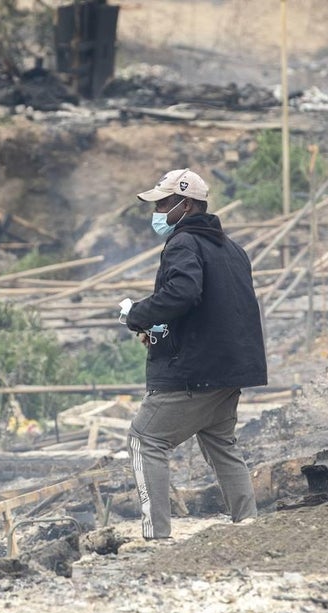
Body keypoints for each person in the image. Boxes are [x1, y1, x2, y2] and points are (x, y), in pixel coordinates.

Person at [123, 168, 268, 539]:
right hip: (230, 369)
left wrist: (137, 314)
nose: (156, 211)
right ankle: (248, 523)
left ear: (186, 204)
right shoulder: (232, 248)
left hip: (196, 371)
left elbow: (183, 294)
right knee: (221, 442)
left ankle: (156, 537)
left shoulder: (183, 243)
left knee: (146, 439)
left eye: (164, 203)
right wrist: (160, 330)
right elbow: (212, 309)